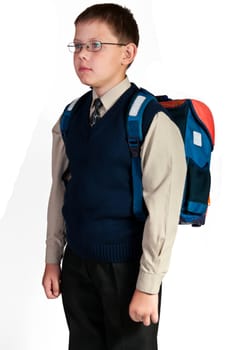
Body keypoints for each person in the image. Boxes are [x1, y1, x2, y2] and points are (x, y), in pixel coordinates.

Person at [42, 3, 187, 350]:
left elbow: (162, 211)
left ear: (127, 53)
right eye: (77, 45)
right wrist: (52, 257)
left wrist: (148, 286)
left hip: (127, 271)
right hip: (77, 265)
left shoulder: (149, 120)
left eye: (95, 45)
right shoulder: (71, 117)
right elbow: (60, 193)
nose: (82, 55)